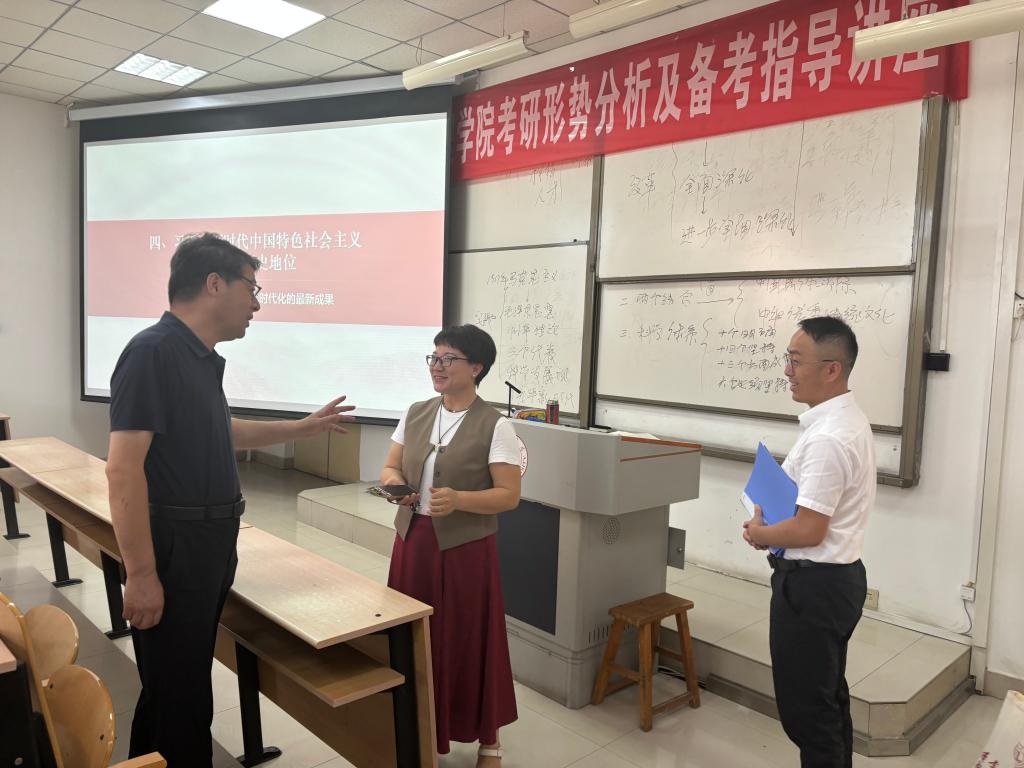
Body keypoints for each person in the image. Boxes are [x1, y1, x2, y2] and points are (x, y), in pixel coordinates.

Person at [105, 233, 355, 767]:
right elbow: (123, 469)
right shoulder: (153, 352)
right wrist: (142, 573)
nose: (257, 305)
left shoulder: (196, 355)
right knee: (182, 696)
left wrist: (301, 428)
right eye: (252, 288)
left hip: (207, 543)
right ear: (214, 284)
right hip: (177, 547)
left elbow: (223, 430)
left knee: (176, 684)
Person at [380, 324, 521, 768]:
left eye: (448, 359)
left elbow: (509, 495)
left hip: (465, 551)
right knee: (412, 638)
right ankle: (419, 728)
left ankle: (489, 740)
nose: (437, 367)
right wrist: (396, 487)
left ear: (476, 368)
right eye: (434, 357)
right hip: (413, 543)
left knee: (466, 640)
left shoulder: (496, 425)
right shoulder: (416, 412)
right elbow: (390, 467)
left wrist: (460, 500)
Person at [742, 316, 875, 768]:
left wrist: (760, 534)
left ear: (832, 369)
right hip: (831, 582)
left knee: (809, 715)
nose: (787, 370)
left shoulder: (830, 438)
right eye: (788, 359)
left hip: (814, 588)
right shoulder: (838, 422)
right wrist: (767, 517)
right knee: (826, 698)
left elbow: (808, 530)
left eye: (796, 361)